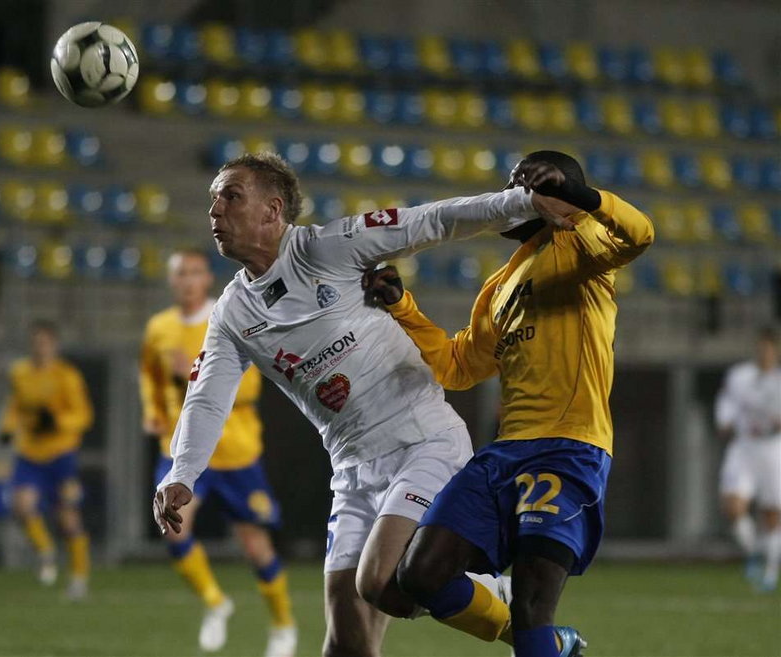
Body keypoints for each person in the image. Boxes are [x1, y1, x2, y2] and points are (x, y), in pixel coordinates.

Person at [153, 152, 574, 657]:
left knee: (379, 581)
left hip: (421, 440)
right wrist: (182, 472)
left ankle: (521, 621)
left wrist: (522, 202)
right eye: (213, 199)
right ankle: (521, 623)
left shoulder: (327, 248)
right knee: (347, 643)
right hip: (351, 467)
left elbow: (432, 220)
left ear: (273, 210)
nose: (215, 210)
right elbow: (207, 395)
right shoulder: (232, 313)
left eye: (231, 196)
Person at [363, 152, 654, 657]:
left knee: (531, 603)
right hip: (502, 456)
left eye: (528, 183)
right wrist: (401, 308)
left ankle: (540, 638)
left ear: (557, 197)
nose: (513, 192)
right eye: (512, 183)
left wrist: (578, 199)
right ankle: (554, 646)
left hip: (567, 449)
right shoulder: (499, 287)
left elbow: (640, 234)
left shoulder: (580, 245)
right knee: (419, 576)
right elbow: (460, 365)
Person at [140, 248, 296, 655]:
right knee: (174, 529)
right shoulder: (159, 327)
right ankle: (215, 603)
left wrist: (190, 372)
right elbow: (150, 379)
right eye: (180, 274)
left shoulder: (229, 316)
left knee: (255, 547)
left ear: (207, 278)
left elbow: (248, 386)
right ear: (172, 281)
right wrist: (154, 413)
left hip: (234, 451)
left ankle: (282, 625)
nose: (188, 281)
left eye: (194, 272)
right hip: (181, 450)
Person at [0, 320, 93, 599]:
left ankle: (78, 578)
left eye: (45, 343)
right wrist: (7, 428)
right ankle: (45, 550)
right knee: (21, 505)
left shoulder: (67, 376)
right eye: (36, 342)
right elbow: (16, 405)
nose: (40, 348)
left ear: (54, 345)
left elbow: (84, 415)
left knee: (68, 518)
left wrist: (57, 422)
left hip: (60, 454)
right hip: (30, 452)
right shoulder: (20, 373)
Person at [716, 326, 781, 592]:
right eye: (761, 346)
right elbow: (726, 404)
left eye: (770, 347)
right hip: (744, 447)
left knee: (771, 514)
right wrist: (724, 421)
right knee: (733, 506)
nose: (764, 351)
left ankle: (770, 570)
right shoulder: (740, 376)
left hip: (772, 449)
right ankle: (755, 552)